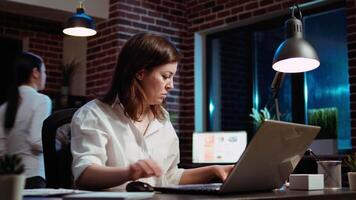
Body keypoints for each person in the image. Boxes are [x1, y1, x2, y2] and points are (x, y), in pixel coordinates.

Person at [71, 33, 233, 190]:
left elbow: (168, 177)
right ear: (140, 73)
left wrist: (212, 170)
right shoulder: (94, 114)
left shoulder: (162, 119)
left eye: (172, 77)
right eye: (165, 76)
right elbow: (85, 175)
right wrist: (130, 173)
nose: (171, 85)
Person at [0, 52, 52, 188]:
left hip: (8, 178)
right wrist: (57, 143)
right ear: (35, 72)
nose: (45, 76)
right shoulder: (42, 100)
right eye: (44, 71)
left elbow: (1, 148)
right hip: (33, 175)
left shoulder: (3, 107)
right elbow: (37, 141)